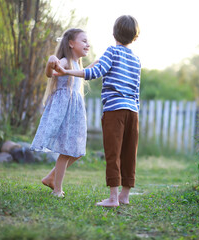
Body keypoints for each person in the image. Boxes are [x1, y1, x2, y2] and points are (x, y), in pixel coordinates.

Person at [54, 15, 141, 207]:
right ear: (135, 36)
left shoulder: (112, 52)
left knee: (113, 153)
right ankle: (124, 196)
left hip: (114, 111)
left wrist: (67, 72)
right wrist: (135, 110)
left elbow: (95, 72)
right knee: (129, 153)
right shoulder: (136, 59)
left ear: (114, 33)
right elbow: (136, 90)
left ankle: (112, 198)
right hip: (133, 113)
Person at [30, 28, 91, 197]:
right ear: (71, 43)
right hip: (64, 110)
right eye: (84, 41)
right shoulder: (65, 61)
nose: (88, 44)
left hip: (75, 112)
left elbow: (91, 71)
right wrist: (51, 62)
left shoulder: (78, 65)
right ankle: (57, 189)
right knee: (66, 150)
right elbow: (50, 74)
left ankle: (50, 177)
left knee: (78, 151)